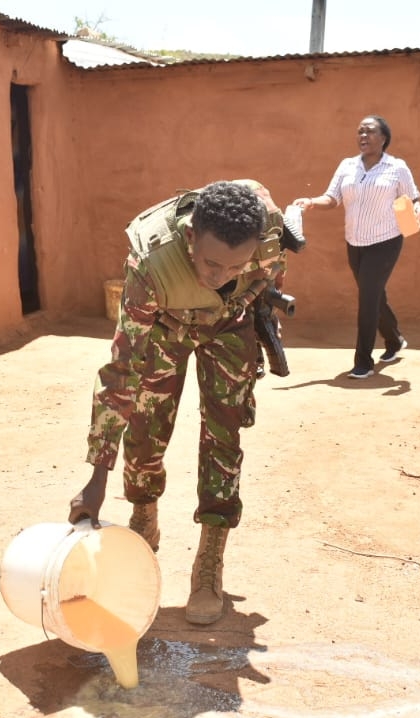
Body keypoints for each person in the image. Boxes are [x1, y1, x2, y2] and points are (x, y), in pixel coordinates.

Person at [68, 180, 287, 625]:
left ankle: (210, 557)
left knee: (224, 437)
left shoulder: (266, 237)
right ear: (190, 237)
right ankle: (143, 511)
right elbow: (121, 370)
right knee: (146, 430)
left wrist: (253, 306)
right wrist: (97, 476)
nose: (221, 275)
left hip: (230, 326)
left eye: (235, 266)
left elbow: (269, 274)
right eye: (211, 264)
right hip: (165, 327)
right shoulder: (150, 265)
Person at [294, 114, 420, 379]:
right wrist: (311, 202)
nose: (363, 136)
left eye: (369, 131)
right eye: (360, 132)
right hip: (355, 241)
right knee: (373, 294)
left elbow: (412, 198)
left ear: (383, 138)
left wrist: (415, 212)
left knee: (368, 298)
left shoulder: (396, 167)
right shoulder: (347, 165)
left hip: (386, 240)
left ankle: (363, 361)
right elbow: (332, 198)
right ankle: (394, 339)